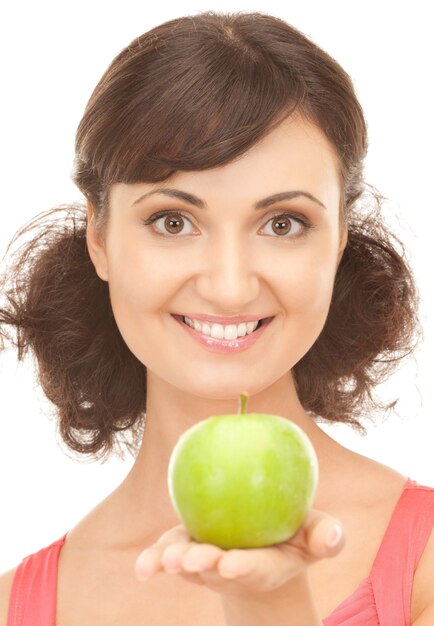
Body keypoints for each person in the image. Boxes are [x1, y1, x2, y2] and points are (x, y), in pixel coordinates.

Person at [0, 9, 433, 626]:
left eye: (283, 223)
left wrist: (268, 602)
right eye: (173, 222)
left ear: (339, 241)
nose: (230, 288)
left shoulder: (423, 563)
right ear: (98, 237)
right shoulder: (15, 605)